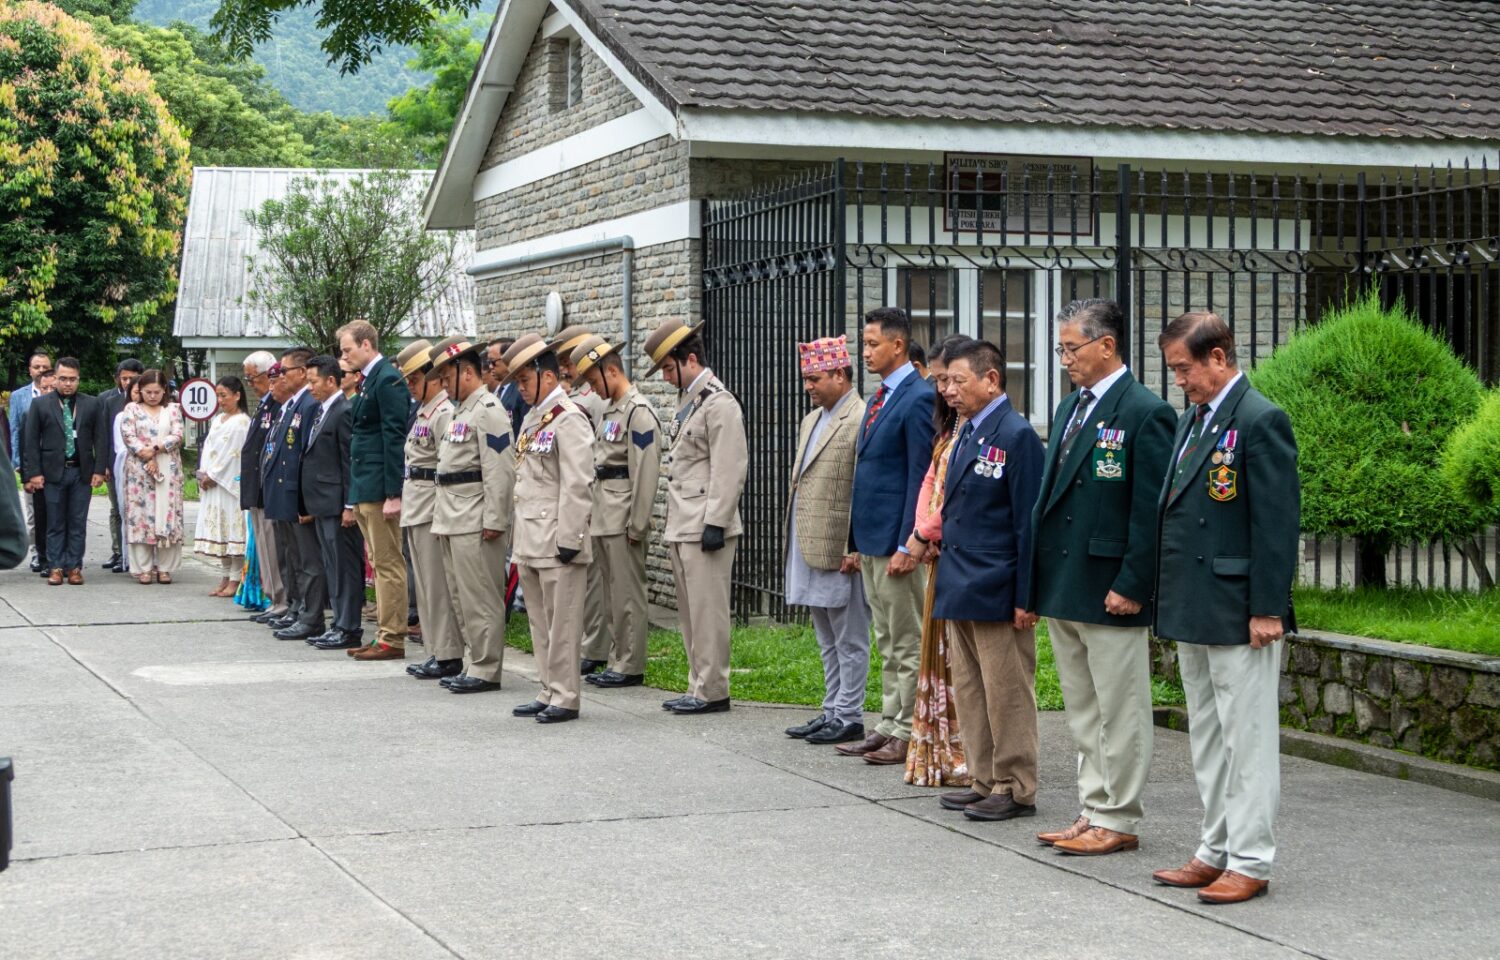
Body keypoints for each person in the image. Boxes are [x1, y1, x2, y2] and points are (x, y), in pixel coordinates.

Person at [1150, 311, 1299, 905]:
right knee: (1208, 737)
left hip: (1241, 610)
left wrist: (1267, 607)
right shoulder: (1194, 419)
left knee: (1248, 741)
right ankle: (1214, 849)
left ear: (1219, 357)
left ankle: (1252, 859)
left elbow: (1276, 524)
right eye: (1173, 370)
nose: (1179, 380)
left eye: (1184, 368)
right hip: (1194, 604)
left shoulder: (1261, 420)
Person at [1020, 300, 1176, 855]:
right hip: (1066, 579)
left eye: (1071, 348)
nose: (1065, 359)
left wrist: (1135, 582)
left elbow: (1150, 509)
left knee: (1120, 708)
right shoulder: (1070, 407)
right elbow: (1049, 499)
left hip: (1111, 585)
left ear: (1106, 346)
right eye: (1061, 349)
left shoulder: (1145, 412)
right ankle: (1093, 807)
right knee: (1083, 708)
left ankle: (1120, 816)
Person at [930, 339, 1043, 822]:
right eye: (944, 381)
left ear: (991, 379)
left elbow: (1028, 523)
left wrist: (1027, 595)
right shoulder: (967, 431)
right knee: (973, 689)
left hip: (998, 585)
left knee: (1007, 691)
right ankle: (983, 776)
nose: (949, 391)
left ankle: (1015, 784)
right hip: (962, 582)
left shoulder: (1015, 435)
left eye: (959, 381)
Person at [840, 307, 935, 765]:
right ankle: (889, 721)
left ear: (899, 345)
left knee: (906, 637)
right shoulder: (880, 396)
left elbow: (920, 474)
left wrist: (908, 543)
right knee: (886, 636)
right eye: (865, 343)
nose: (867, 351)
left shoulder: (917, 397)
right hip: (872, 538)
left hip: (897, 542)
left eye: (873, 343)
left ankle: (909, 729)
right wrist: (857, 541)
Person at [645, 318, 748, 716]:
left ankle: (714, 689)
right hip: (683, 521)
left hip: (705, 523)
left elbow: (730, 466)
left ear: (690, 359)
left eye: (669, 369)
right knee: (691, 613)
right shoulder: (689, 400)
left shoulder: (718, 402)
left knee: (708, 612)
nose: (668, 378)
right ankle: (697, 683)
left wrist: (716, 523)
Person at [779, 336, 871, 745]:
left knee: (849, 634)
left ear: (840, 374)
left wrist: (855, 546)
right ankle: (832, 707)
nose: (808, 386)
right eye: (805, 379)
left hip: (840, 546)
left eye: (814, 378)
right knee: (825, 634)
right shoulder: (811, 419)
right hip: (810, 541)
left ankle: (850, 713)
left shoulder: (860, 416)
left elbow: (863, 489)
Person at [502, 334, 590, 721]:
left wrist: (571, 537)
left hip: (557, 539)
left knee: (564, 622)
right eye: (517, 382)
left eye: (525, 381)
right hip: (530, 538)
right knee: (540, 621)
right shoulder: (533, 419)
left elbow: (578, 481)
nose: (520, 389)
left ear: (548, 378)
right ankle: (547, 688)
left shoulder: (569, 418)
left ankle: (566, 695)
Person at [899, 333, 973, 786]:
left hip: (954, 553)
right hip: (936, 554)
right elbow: (930, 480)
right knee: (938, 652)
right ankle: (936, 746)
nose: (944, 389)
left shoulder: (983, 429)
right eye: (940, 380)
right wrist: (922, 528)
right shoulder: (949, 430)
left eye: (950, 379)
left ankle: (961, 750)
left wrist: (922, 534)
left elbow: (960, 494)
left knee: (958, 662)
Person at [571, 334, 662, 690]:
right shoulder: (611, 409)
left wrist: (637, 523)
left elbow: (646, 471)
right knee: (611, 594)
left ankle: (630, 663)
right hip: (605, 512)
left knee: (627, 594)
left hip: (623, 514)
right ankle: (616, 656)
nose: (592, 389)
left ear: (611, 371)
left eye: (594, 381)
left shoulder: (638, 412)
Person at [429, 336, 517, 692]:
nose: (444, 385)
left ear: (466, 373)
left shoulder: (489, 410)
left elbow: (500, 470)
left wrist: (496, 519)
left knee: (480, 597)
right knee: (460, 597)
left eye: (447, 378)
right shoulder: (462, 411)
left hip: (474, 517)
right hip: (453, 514)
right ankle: (474, 661)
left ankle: (486, 667)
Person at [339, 320, 411, 660]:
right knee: (378, 564)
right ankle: (383, 632)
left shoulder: (387, 379)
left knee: (387, 564)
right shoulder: (370, 381)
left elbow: (393, 437)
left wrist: (394, 492)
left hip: (381, 487)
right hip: (365, 485)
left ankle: (392, 638)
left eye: (347, 349)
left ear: (367, 345)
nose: (344, 356)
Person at [396, 341, 462, 680]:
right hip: (417, 504)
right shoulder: (424, 412)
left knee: (437, 587)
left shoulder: (444, 413)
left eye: (414, 378)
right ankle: (435, 649)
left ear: (434, 379)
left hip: (432, 506)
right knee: (423, 586)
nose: (409, 385)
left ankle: (448, 652)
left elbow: (444, 464)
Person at [548, 325, 611, 675]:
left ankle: (597, 644)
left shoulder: (594, 400)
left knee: (596, 579)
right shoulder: (578, 398)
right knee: (588, 579)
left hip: (596, 492)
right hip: (585, 493)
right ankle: (593, 641)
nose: (565, 369)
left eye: (567, 361)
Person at [22, 357, 106, 585]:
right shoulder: (41, 404)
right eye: (63, 379)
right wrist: (34, 473)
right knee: (55, 522)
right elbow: (30, 441)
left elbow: (100, 438)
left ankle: (74, 566)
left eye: (72, 379)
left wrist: (99, 469)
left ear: (79, 379)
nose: (68, 384)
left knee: (77, 522)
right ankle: (55, 566)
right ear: (55, 378)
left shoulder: (91, 403)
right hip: (51, 474)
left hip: (81, 472)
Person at [300, 356, 365, 649]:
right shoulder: (321, 410)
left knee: (345, 567)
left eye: (313, 381)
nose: (309, 387)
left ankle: (349, 627)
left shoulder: (344, 410)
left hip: (338, 504)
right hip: (323, 503)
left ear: (330, 380)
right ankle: (338, 622)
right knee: (332, 566)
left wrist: (350, 505)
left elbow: (349, 461)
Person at [261, 349, 322, 639]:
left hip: (297, 494)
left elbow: (304, 454)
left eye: (285, 371)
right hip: (283, 492)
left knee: (306, 560)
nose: (281, 377)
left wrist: (302, 498)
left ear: (301, 372)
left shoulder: (309, 404)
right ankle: (297, 608)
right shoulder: (292, 406)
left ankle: (311, 616)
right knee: (292, 557)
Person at [120, 369, 186, 585]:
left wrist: (156, 448)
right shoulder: (132, 409)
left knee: (166, 514)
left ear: (164, 390)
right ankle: (143, 568)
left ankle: (165, 568)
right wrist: (145, 453)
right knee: (141, 517)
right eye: (148, 392)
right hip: (140, 472)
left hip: (167, 468)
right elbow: (128, 435)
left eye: (156, 392)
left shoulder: (173, 410)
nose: (152, 396)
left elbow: (177, 435)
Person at [194, 375, 251, 596]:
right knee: (220, 533)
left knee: (233, 532)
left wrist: (214, 475)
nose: (220, 400)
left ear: (237, 395)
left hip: (229, 485)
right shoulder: (218, 420)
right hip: (212, 484)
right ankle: (225, 575)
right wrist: (203, 474)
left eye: (224, 395)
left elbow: (233, 455)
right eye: (217, 395)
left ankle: (236, 579)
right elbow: (209, 449)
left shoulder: (242, 422)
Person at [242, 352, 287, 622]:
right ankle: (273, 598)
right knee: (264, 545)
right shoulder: (264, 404)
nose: (250, 383)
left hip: (269, 488)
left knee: (273, 547)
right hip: (256, 489)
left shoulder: (278, 406)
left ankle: (281, 599)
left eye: (252, 377)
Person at [98, 359, 144, 572]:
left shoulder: (147, 399)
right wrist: (104, 465)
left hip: (141, 465)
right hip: (115, 464)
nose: (127, 382)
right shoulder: (107, 400)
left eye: (132, 379)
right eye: (124, 378)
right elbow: (103, 436)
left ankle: (137, 553)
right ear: (117, 377)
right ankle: (118, 551)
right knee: (117, 508)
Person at [10, 351, 53, 572]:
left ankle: (51, 552)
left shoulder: (57, 394)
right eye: (37, 367)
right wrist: (18, 462)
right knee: (33, 511)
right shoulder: (19, 396)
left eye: (45, 367)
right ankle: (37, 553)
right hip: (29, 464)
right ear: (30, 369)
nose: (41, 371)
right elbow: (15, 430)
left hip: (54, 464)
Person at [110, 379, 141, 572]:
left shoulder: (161, 415)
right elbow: (120, 448)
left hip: (155, 470)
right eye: (136, 392)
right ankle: (130, 560)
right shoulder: (122, 417)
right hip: (128, 468)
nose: (141, 396)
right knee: (128, 514)